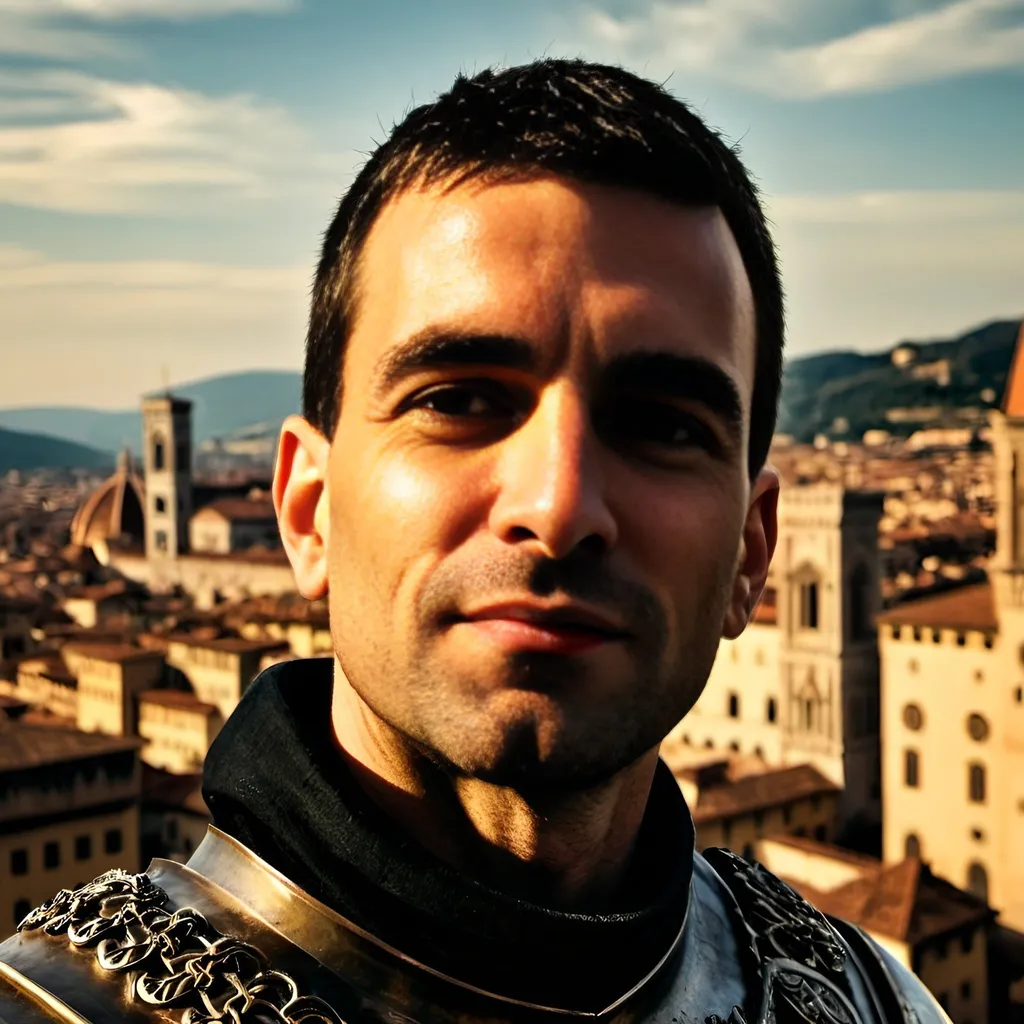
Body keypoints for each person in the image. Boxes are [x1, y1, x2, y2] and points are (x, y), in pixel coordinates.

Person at [0, 59, 947, 1024]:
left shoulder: (876, 1001)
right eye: (456, 400)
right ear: (308, 512)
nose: (560, 503)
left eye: (663, 424)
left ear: (752, 553)